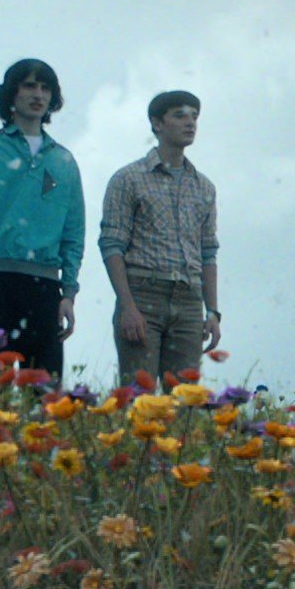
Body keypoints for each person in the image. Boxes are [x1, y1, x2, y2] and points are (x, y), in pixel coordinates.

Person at [0, 57, 84, 379]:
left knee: (46, 396)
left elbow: (73, 232)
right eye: (29, 85)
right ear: (11, 93)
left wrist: (68, 293)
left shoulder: (63, 161)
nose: (38, 94)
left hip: (46, 287)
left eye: (46, 87)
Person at [98, 89, 219, 388]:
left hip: (189, 298)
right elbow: (112, 244)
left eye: (194, 116)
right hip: (144, 291)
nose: (189, 122)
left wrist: (212, 311)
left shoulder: (203, 186)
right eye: (179, 115)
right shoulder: (128, 178)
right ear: (157, 124)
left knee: (184, 400)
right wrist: (127, 305)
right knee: (138, 394)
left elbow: (208, 252)